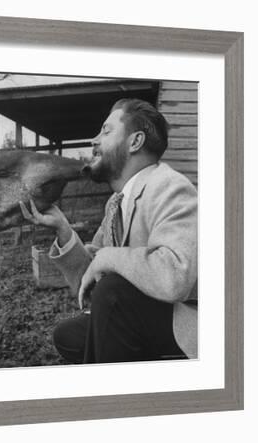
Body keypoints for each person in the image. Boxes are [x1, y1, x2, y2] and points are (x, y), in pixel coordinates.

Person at [20, 98, 198, 364]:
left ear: (134, 142)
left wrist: (108, 258)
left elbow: (175, 277)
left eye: (106, 131)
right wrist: (63, 229)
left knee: (113, 292)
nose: (94, 140)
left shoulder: (170, 187)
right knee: (68, 335)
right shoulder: (116, 203)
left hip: (185, 323)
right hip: (143, 315)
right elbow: (90, 279)